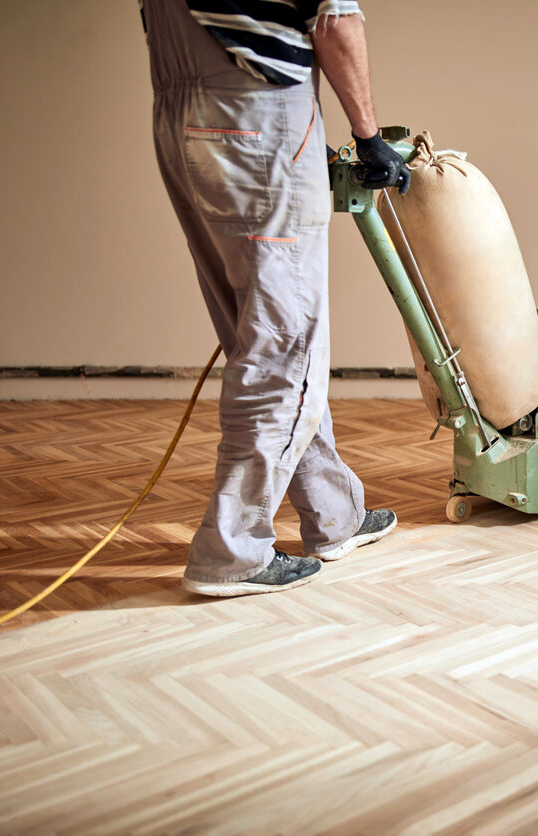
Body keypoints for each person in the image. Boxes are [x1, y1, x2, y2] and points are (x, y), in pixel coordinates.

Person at [142, 0, 409, 596]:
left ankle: (332, 516)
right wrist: (368, 136)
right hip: (257, 117)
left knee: (258, 329)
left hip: (178, 111)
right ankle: (232, 551)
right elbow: (335, 18)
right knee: (285, 343)